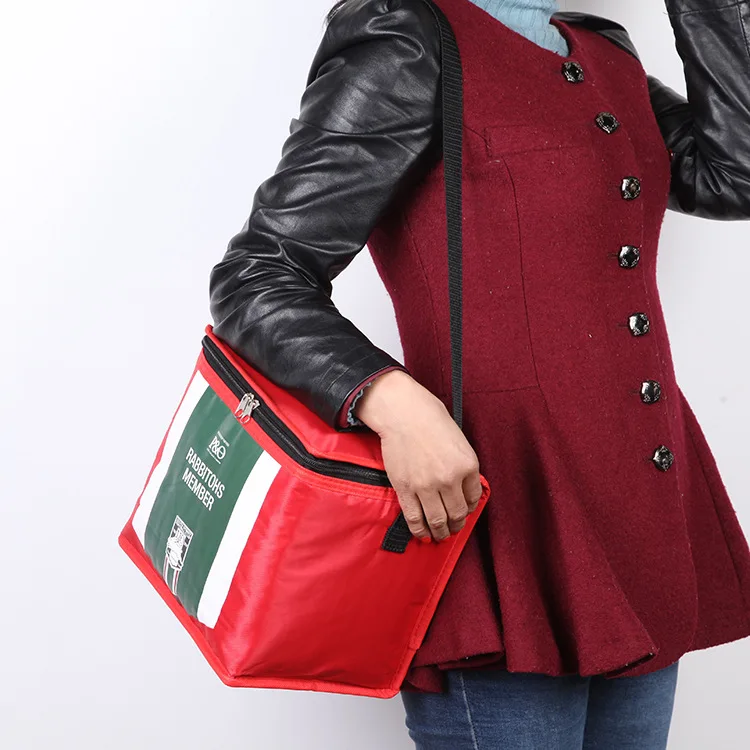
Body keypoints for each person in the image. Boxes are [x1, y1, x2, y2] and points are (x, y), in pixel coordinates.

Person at [208, 0, 750, 746]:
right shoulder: (406, 35)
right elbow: (260, 274)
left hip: (644, 522)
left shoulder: (603, 51)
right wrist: (390, 400)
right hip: (502, 522)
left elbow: (734, 174)